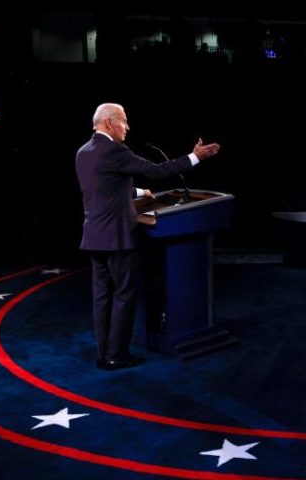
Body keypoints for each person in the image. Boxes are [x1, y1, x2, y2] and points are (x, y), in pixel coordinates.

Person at [75, 103, 220, 370]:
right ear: (109, 123)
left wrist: (141, 193)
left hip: (94, 237)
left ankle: (103, 353)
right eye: (124, 122)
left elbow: (105, 190)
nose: (127, 128)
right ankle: (117, 356)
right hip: (117, 238)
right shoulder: (116, 151)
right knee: (123, 295)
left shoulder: (84, 153)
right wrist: (194, 156)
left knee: (101, 298)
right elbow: (157, 170)